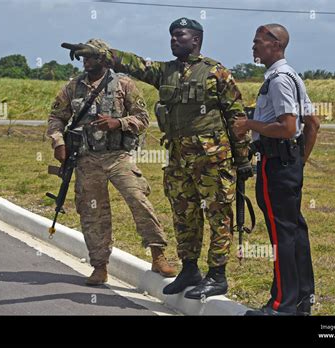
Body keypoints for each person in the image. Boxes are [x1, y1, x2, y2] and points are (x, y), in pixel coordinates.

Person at [63, 18, 252, 299]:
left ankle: (217, 275)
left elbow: (237, 117)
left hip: (211, 159)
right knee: (184, 215)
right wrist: (101, 53)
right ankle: (190, 269)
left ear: (196, 40)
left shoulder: (216, 73)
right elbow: (135, 64)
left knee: (218, 215)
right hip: (178, 159)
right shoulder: (165, 72)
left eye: (180, 35)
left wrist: (243, 159)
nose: (174, 40)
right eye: (172, 36)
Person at [47, 39, 177, 286]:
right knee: (92, 211)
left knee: (138, 200)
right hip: (87, 159)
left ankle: (158, 254)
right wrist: (58, 142)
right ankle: (99, 266)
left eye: (90, 57)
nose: (86, 62)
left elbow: (143, 118)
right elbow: (56, 117)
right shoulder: (73, 87)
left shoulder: (124, 84)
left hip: (118, 156)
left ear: (103, 59)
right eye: (83, 58)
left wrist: (118, 123)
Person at [233, 24, 320, 315]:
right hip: (288, 164)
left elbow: (288, 126)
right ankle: (301, 300)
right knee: (294, 232)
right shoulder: (292, 75)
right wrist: (299, 162)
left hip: (276, 164)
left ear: (276, 44)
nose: (253, 47)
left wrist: (249, 124)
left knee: (280, 236)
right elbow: (313, 124)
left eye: (258, 42)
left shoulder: (278, 80)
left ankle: (282, 306)